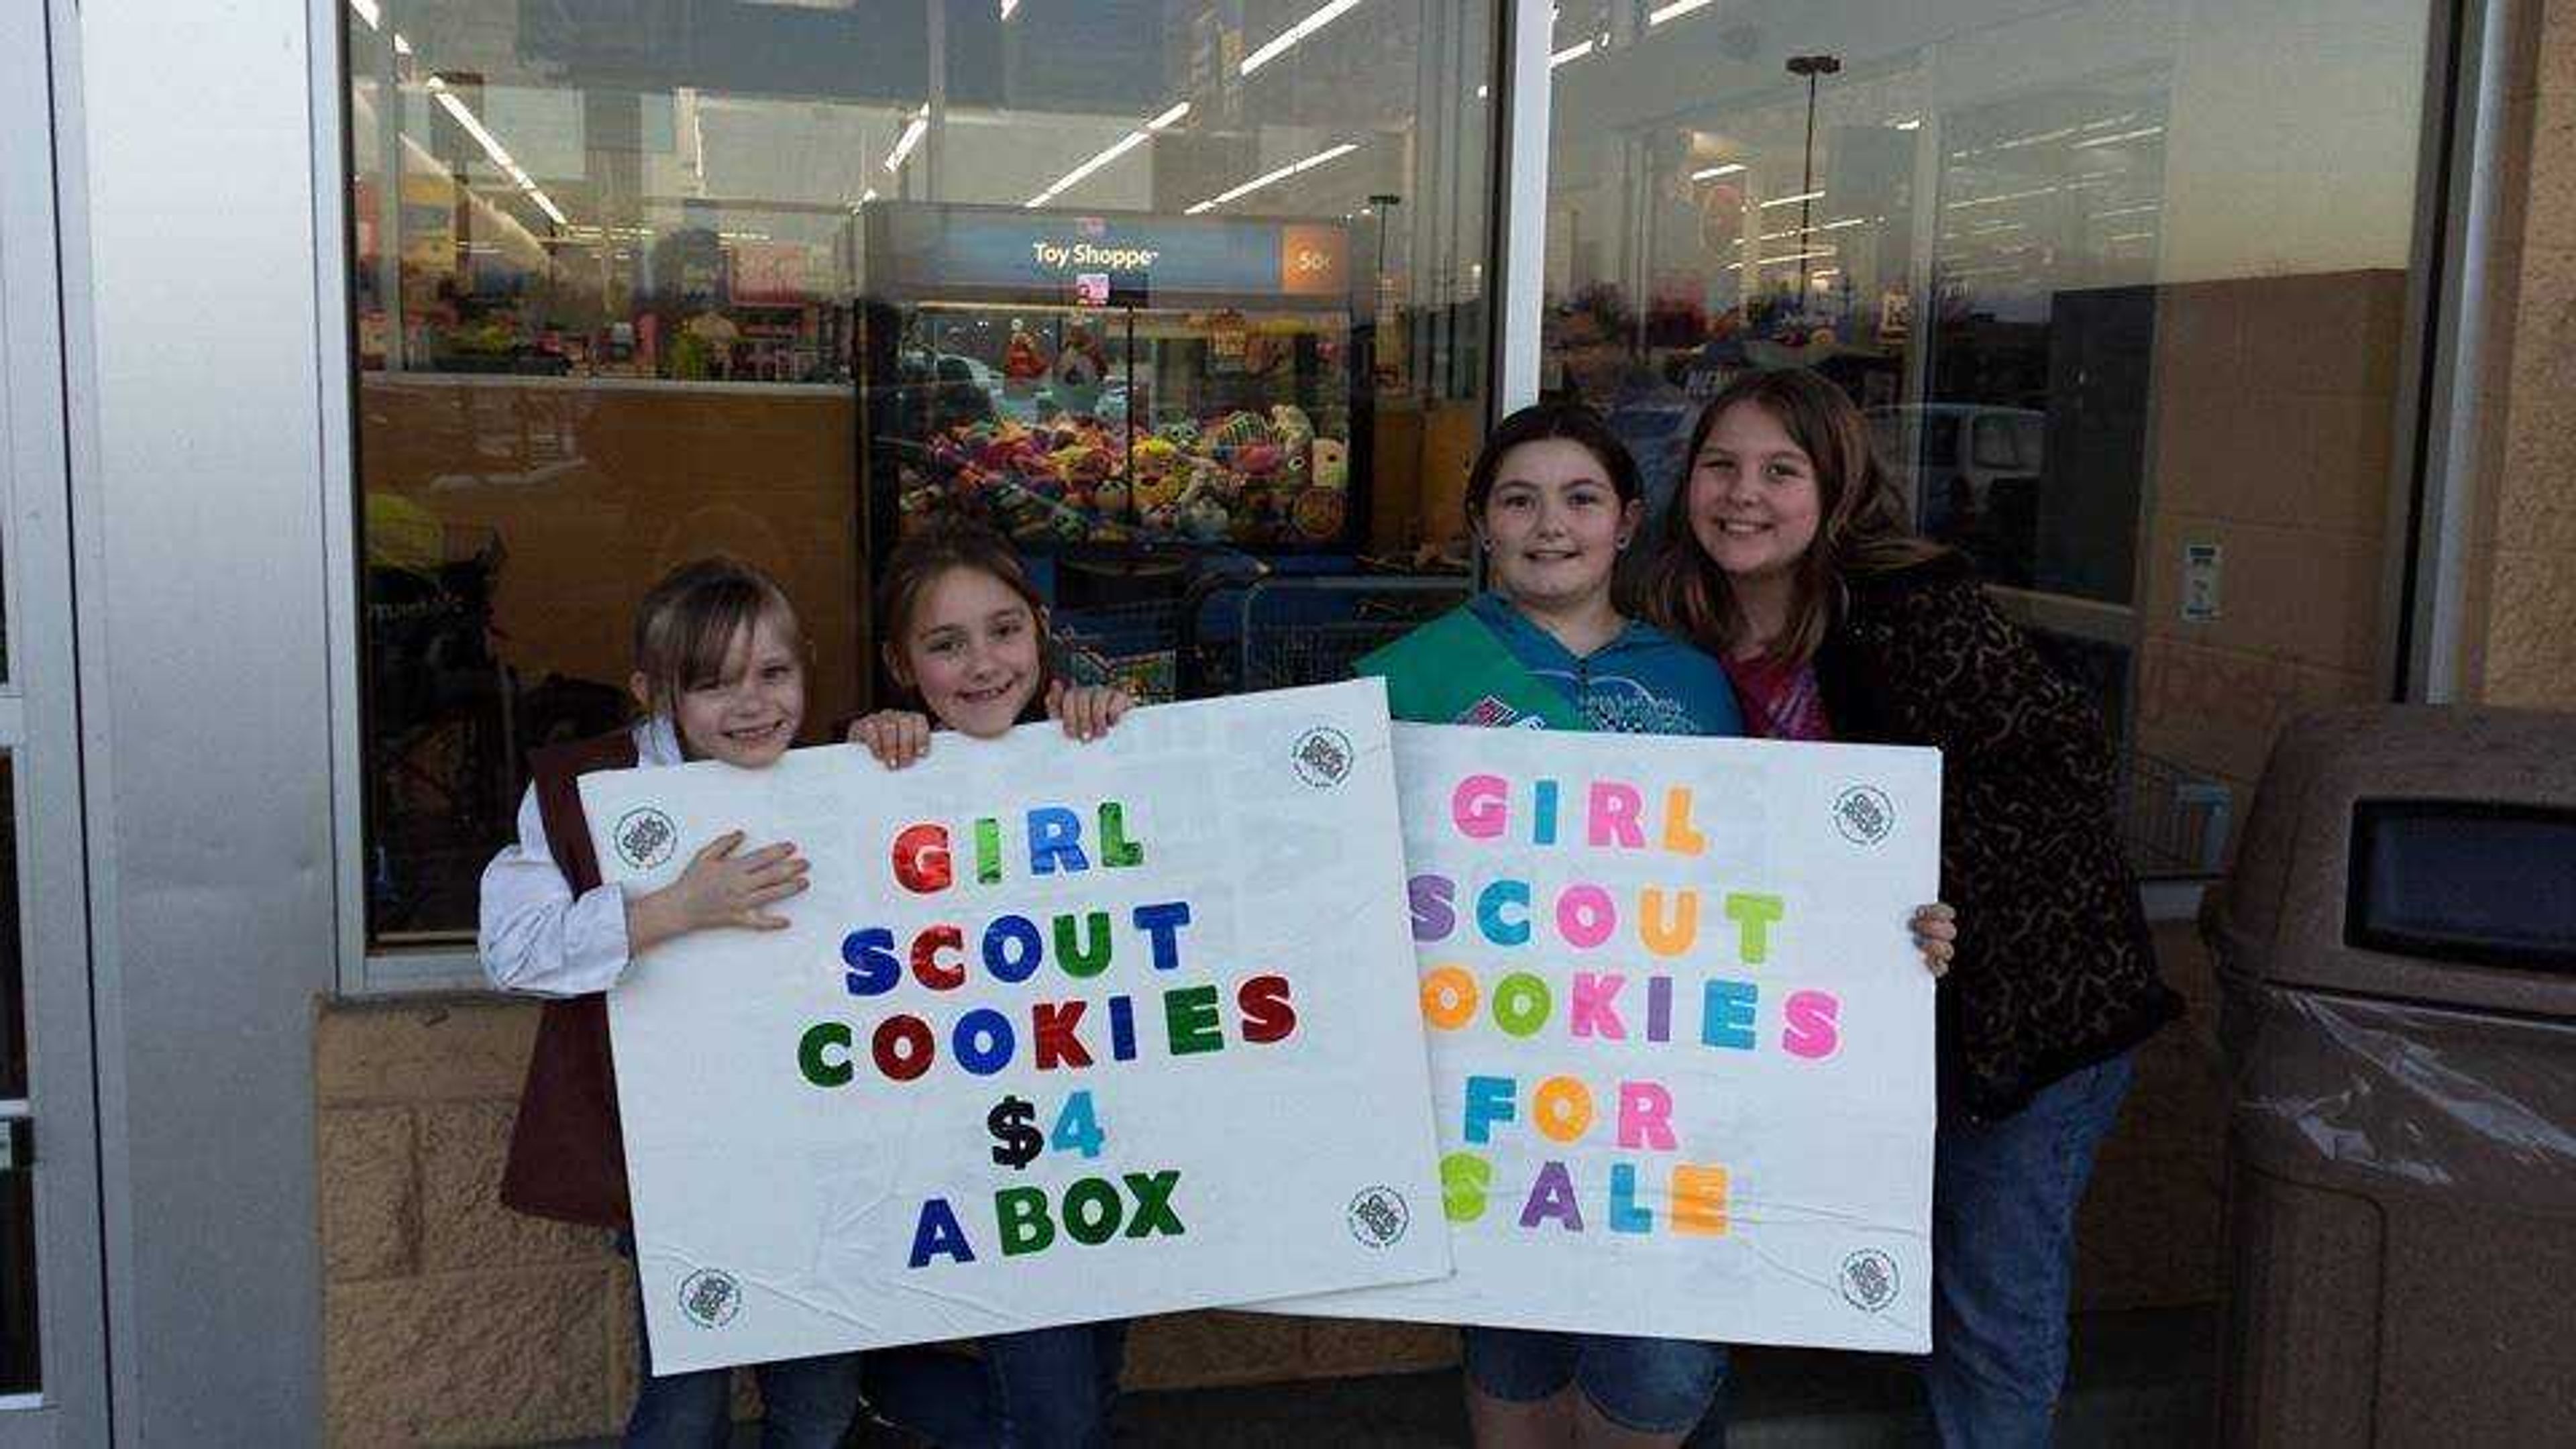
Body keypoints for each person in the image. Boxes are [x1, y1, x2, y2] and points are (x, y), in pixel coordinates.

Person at [1358, 402, 1957, 1449]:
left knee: (1663, 1373)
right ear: (1479, 522)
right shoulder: (1401, 677)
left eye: (1581, 499)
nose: (1552, 525)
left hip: (1665, 1114)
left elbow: (1771, 878)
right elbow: (1315, 869)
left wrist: (1887, 929)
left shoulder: (1697, 677)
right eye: (1519, 499)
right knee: (1514, 1360)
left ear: (1628, 521)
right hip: (1487, 1101)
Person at [1642, 368, 2178, 1448]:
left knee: (1989, 1303)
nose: (1745, 495)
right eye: (1722, 465)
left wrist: (1932, 893)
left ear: (1836, 489)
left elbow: (2057, 768)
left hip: (2017, 1025)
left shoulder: (1906, 606)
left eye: (1782, 471)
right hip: (1842, 1026)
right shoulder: (1677, 625)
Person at [480, 555, 862, 1448]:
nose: (753, 704)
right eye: (715, 684)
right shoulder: (584, 790)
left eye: (774, 674)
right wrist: (670, 911)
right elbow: (511, 950)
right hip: (674, 1155)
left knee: (818, 1407)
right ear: (654, 693)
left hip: (814, 1149)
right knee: (685, 1406)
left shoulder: (838, 775)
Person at [843, 517, 1134, 1448]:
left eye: (1004, 631)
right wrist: (869, 751)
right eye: (944, 644)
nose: (983, 663)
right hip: (979, 1142)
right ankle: (869, 1370)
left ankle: (877, 1377)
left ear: (1039, 629)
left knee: (1087, 1379)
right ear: (901, 666)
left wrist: (1119, 736)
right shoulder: (887, 769)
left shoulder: (1093, 746)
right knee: (1057, 1413)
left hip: (1102, 1131)